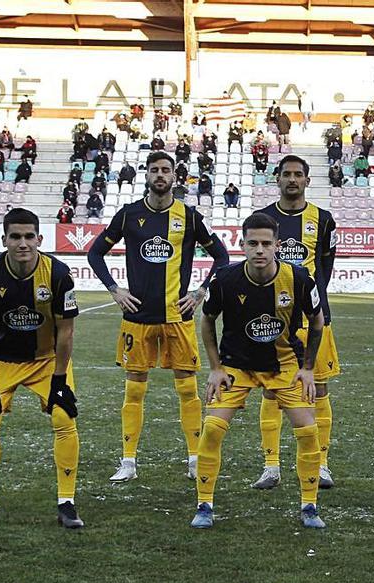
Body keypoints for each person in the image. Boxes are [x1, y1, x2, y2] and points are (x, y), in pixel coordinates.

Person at [87, 151, 231, 483]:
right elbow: (95, 252)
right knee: (134, 391)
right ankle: (128, 462)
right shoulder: (128, 215)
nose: (160, 175)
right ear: (147, 175)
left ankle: (195, 458)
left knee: (188, 391)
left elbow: (221, 255)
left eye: (166, 170)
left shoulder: (190, 217)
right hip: (137, 318)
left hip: (177, 318)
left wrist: (201, 291)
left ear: (174, 176)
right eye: (155, 170)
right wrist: (114, 289)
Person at [189, 213, 327, 529]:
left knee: (308, 432)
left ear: (278, 245)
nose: (260, 250)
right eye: (253, 243)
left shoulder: (299, 279)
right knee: (211, 429)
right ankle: (204, 505)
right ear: (242, 245)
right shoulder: (224, 279)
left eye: (267, 243)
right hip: (236, 366)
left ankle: (309, 506)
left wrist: (308, 369)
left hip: (285, 365)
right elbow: (207, 320)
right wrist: (214, 368)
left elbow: (317, 322)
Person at [0, 208, 83, 529]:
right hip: (4, 360)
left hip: (46, 359)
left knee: (63, 415)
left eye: (29, 236)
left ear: (40, 239)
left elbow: (67, 331)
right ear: (4, 239)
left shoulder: (58, 274)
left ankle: (66, 503)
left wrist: (59, 379)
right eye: (15, 236)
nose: (23, 243)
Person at [244, 157, 341, 489]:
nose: (292, 179)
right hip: (273, 320)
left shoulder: (323, 220)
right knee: (271, 391)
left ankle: (322, 464)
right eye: (286, 174)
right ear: (277, 179)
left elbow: (325, 269)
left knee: (319, 389)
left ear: (307, 180)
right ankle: (271, 465)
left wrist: (314, 299)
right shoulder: (263, 220)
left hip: (314, 318)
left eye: (298, 174)